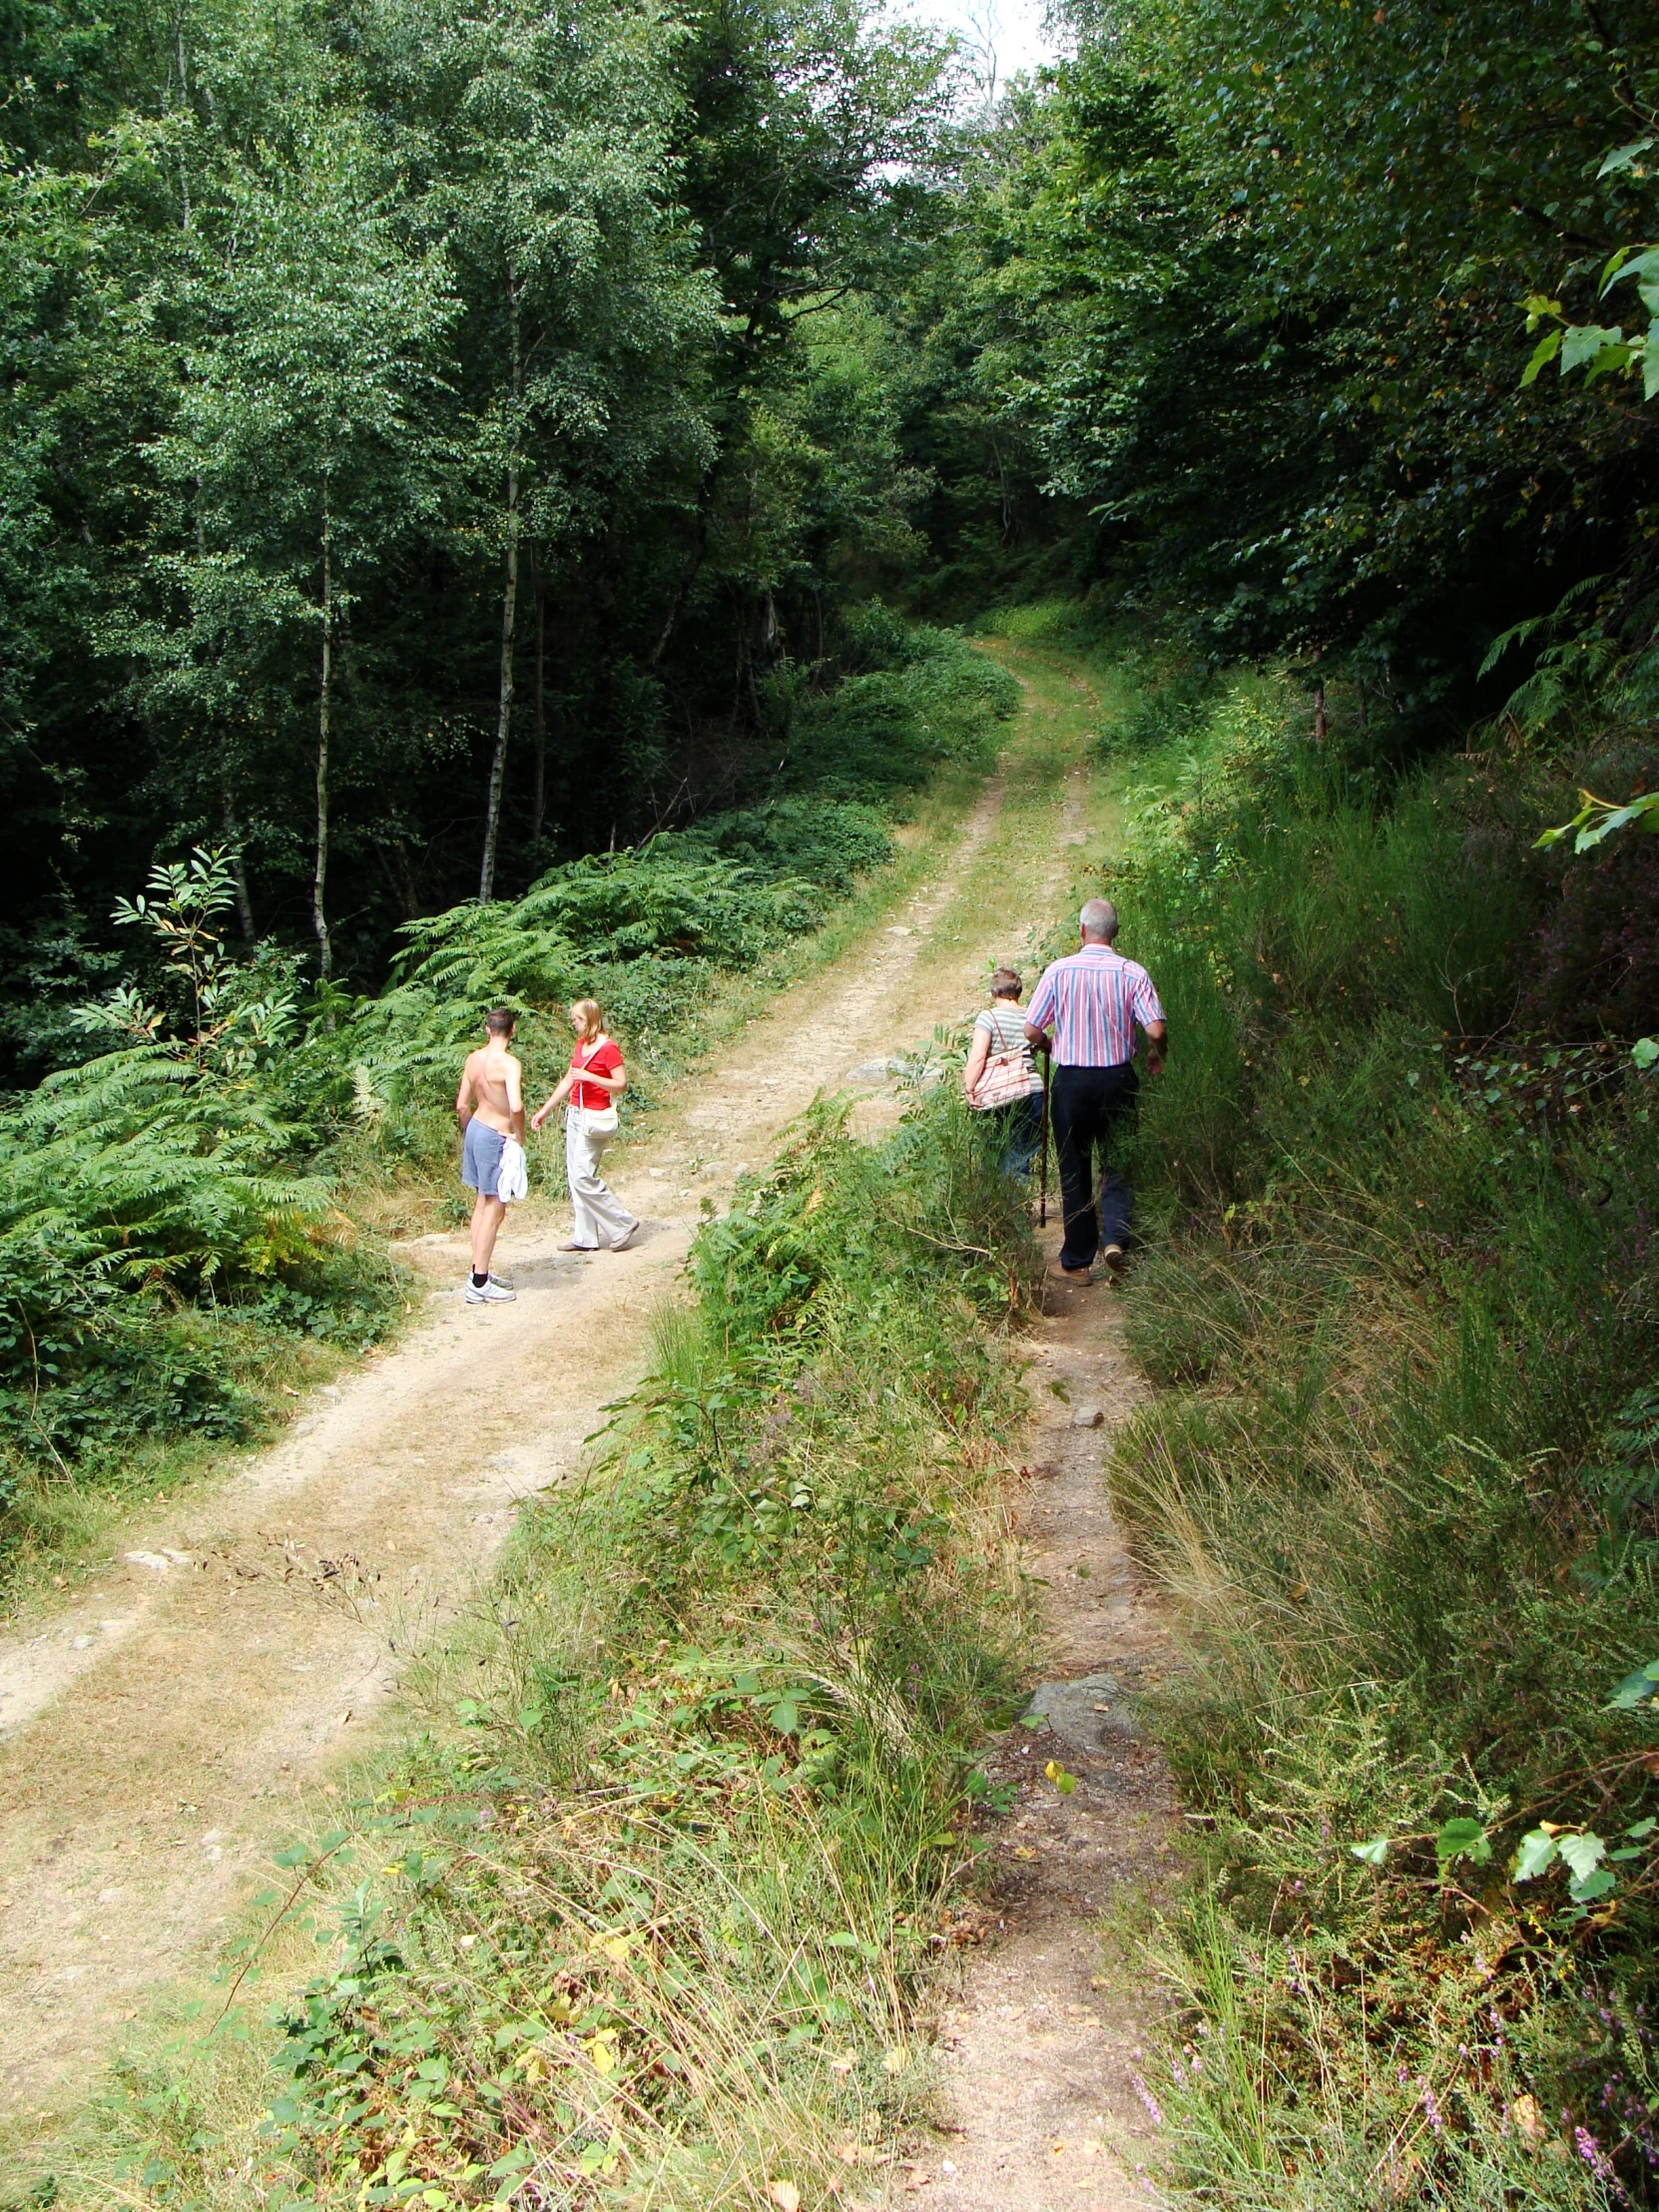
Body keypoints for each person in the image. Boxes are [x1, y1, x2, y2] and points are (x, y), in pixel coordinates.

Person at [1024, 897, 1167, 1281]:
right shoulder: (1131, 972)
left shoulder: (1058, 972)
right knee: (1119, 1161)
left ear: (1082, 931)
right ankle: (1117, 1240)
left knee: (1075, 1167)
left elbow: (1031, 1029)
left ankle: (1077, 1262)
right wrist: (1157, 1054)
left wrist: (1052, 1046)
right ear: (1115, 932)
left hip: (1072, 1082)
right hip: (1118, 1080)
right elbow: (1155, 1029)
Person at [530, 998, 640, 1253]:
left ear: (590, 1019)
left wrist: (591, 1077)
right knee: (574, 1175)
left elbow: (621, 1084)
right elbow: (570, 1078)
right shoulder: (581, 1044)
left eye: (577, 1019)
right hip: (576, 1113)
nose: (574, 1024)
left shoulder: (609, 1048)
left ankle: (623, 1223)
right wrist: (545, 1109)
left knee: (582, 1175)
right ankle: (585, 1236)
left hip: (595, 1117)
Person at [455, 1007, 525, 1304]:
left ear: (487, 1029)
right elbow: (517, 1106)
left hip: (475, 1128)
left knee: (482, 1202)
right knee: (496, 1206)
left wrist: (472, 1132)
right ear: (512, 1031)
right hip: (495, 1134)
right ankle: (480, 1283)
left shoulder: (473, 1059)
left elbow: (461, 1105)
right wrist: (518, 1137)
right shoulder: (509, 1064)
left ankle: (477, 1271)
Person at [962, 965, 1044, 1174]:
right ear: (1018, 992)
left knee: (997, 1154)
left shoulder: (988, 1017)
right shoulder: (1031, 1017)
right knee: (1021, 1155)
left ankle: (1007, 1204)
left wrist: (969, 1087)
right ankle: (1021, 1201)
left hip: (999, 1093)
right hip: (1032, 1089)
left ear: (994, 993)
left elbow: (979, 1055)